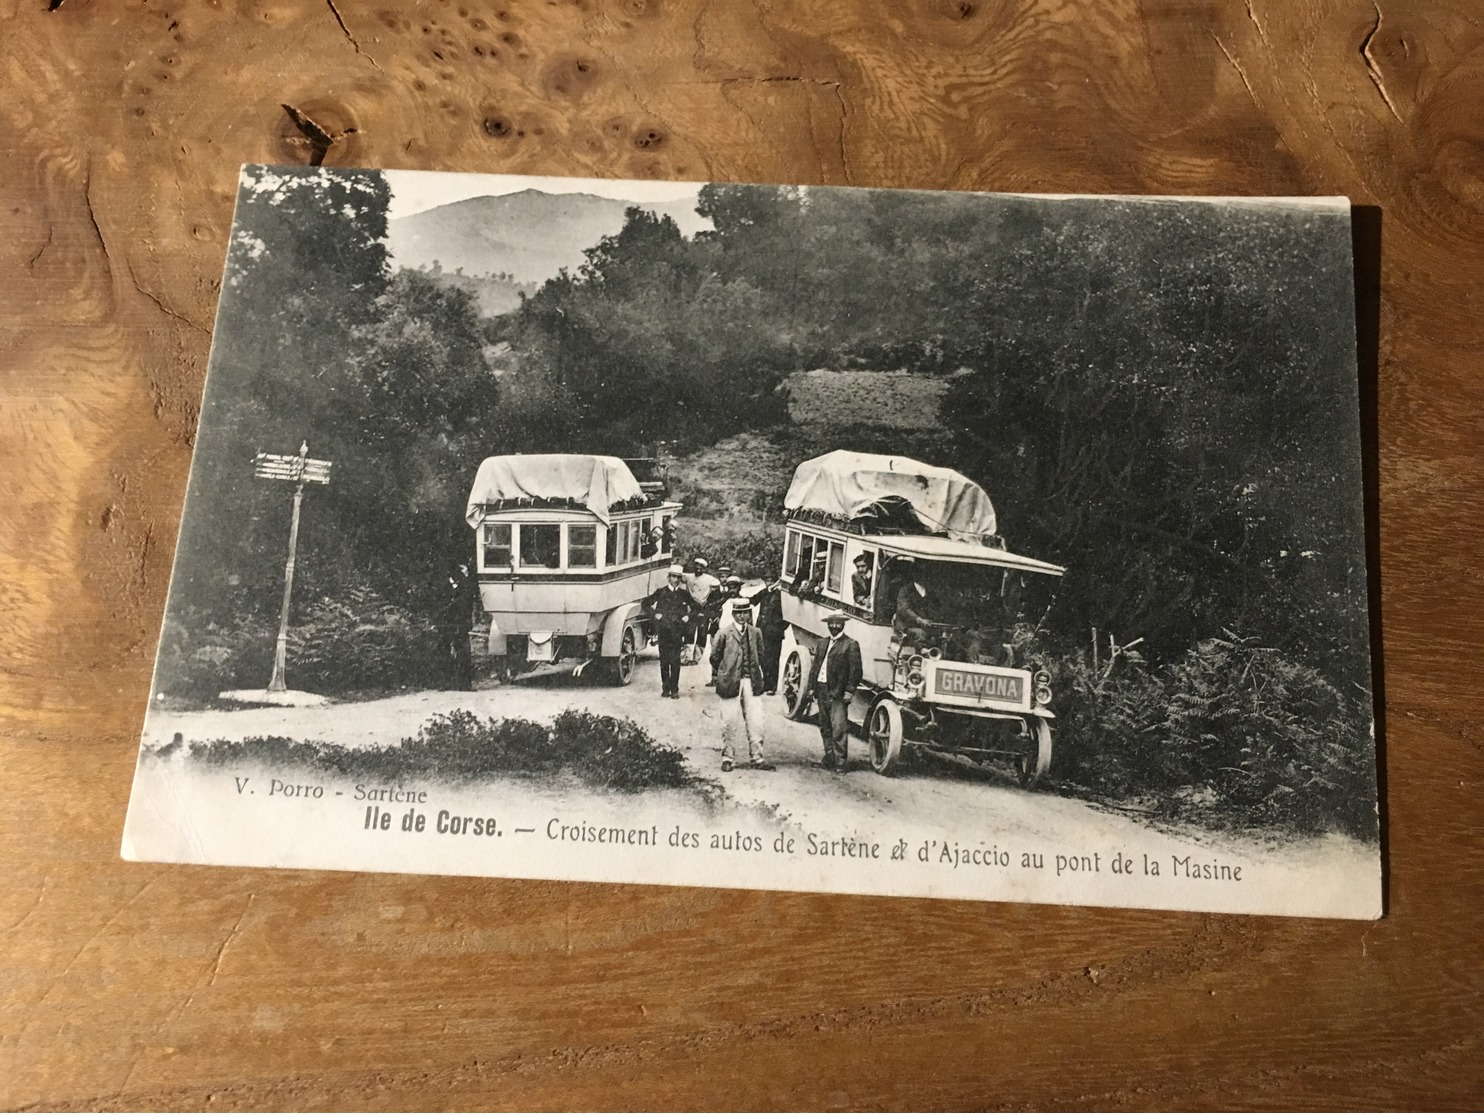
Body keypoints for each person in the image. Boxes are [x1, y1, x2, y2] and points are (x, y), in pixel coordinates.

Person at [709, 598, 774, 771]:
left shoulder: (756, 633)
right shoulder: (724, 633)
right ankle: (728, 758)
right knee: (729, 721)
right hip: (731, 681)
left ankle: (757, 758)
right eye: (739, 613)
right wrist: (726, 672)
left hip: (751, 681)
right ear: (733, 614)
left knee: (756, 721)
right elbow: (714, 658)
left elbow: (761, 655)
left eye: (745, 612)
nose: (742, 616)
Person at [814, 611, 863, 771]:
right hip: (822, 689)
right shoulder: (822, 643)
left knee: (839, 728)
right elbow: (815, 667)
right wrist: (811, 688)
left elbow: (856, 671)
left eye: (838, 623)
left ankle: (841, 762)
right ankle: (829, 757)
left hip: (837, 692)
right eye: (832, 623)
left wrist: (849, 691)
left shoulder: (850, 644)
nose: (834, 626)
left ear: (843, 624)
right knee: (825, 725)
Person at [644, 565, 693, 698]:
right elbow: (645, 604)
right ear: (668, 577)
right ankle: (665, 689)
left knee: (675, 661)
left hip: (677, 631)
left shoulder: (684, 594)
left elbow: (696, 608)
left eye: (678, 577)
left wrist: (687, 616)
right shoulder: (661, 592)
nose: (675, 579)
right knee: (664, 661)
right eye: (673, 576)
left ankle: (675, 690)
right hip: (663, 631)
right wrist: (655, 614)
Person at [754, 581, 787, 695]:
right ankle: (765, 683)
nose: (769, 583)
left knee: (773, 659)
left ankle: (772, 686)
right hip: (762, 630)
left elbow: (787, 616)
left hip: (774, 633)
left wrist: (779, 628)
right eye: (767, 580)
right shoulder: (765, 592)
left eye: (771, 580)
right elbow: (753, 600)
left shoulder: (782, 594)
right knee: (763, 658)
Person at [893, 567, 936, 648]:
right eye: (920, 573)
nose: (923, 576)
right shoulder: (905, 590)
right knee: (920, 634)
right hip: (907, 625)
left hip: (926, 626)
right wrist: (919, 620)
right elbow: (904, 610)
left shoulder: (930, 591)